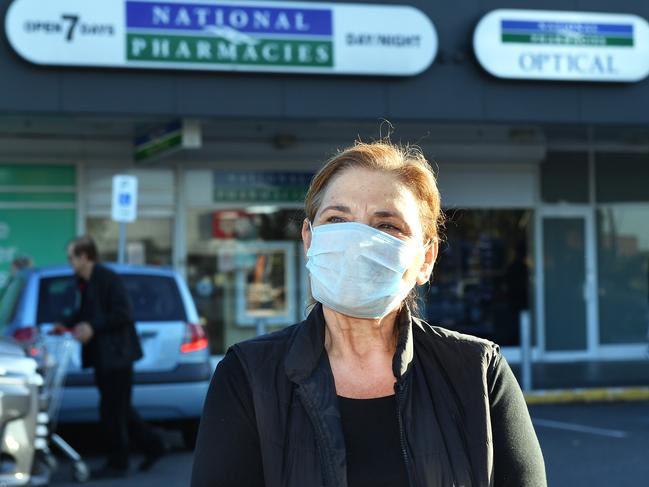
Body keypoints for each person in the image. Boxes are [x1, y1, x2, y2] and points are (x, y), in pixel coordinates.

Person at [191, 141, 546, 487]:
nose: (358, 241)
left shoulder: (479, 374)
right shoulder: (248, 377)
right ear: (309, 241)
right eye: (337, 219)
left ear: (426, 258)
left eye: (387, 226)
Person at [59, 236, 166, 479]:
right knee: (120, 409)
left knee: (111, 411)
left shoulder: (108, 279)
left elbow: (123, 313)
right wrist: (66, 324)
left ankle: (118, 463)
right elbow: (85, 312)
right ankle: (154, 446)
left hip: (117, 356)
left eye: (72, 257)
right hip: (102, 357)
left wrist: (92, 328)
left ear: (85, 256)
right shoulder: (84, 282)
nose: (70, 262)